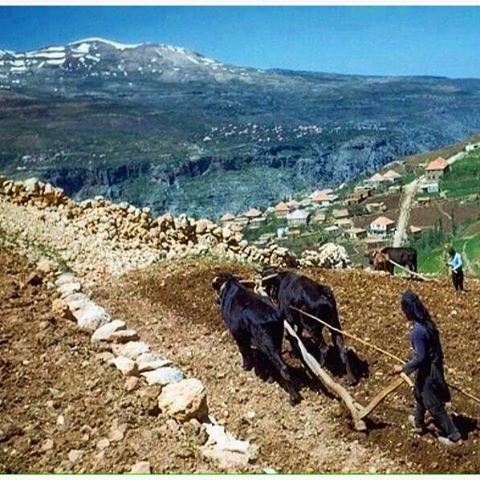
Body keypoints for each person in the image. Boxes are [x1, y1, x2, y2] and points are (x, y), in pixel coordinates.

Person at [390, 290, 462, 445]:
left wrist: (402, 368)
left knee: (433, 405)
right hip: (433, 366)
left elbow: (420, 358)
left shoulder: (417, 331)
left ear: (407, 310)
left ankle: (454, 436)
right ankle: (418, 423)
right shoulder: (428, 323)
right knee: (418, 393)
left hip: (428, 371)